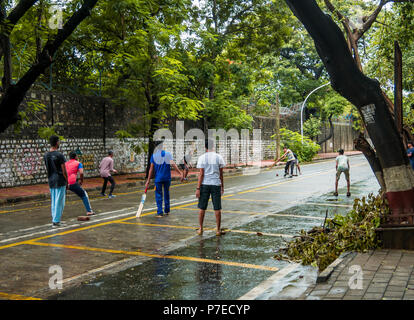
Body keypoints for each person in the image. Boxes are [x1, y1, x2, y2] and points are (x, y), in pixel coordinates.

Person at [195, 139, 226, 236]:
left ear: (205, 147)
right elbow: (221, 174)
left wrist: (198, 188)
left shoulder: (202, 158)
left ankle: (200, 228)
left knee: (202, 207)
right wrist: (222, 186)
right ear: (214, 146)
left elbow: (201, 174)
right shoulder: (219, 157)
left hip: (205, 185)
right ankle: (218, 230)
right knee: (217, 208)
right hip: (216, 184)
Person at [145, 141, 183, 217]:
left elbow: (151, 169)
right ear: (162, 146)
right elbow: (173, 165)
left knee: (158, 195)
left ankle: (160, 212)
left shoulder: (154, 156)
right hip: (167, 178)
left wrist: (148, 180)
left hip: (158, 179)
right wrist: (180, 173)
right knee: (166, 193)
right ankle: (167, 210)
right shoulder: (168, 154)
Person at [43, 135, 68, 227]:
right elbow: (64, 170)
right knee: (60, 201)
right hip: (60, 179)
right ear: (57, 142)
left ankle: (55, 218)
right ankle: (56, 220)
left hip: (51, 180)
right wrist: (67, 181)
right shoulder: (59, 155)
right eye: (59, 141)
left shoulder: (46, 155)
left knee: (54, 200)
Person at [65, 151, 94, 216]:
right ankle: (89, 211)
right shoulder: (78, 163)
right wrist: (81, 180)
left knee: (60, 198)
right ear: (75, 157)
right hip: (72, 182)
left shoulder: (65, 163)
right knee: (84, 195)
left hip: (65, 183)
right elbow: (81, 173)